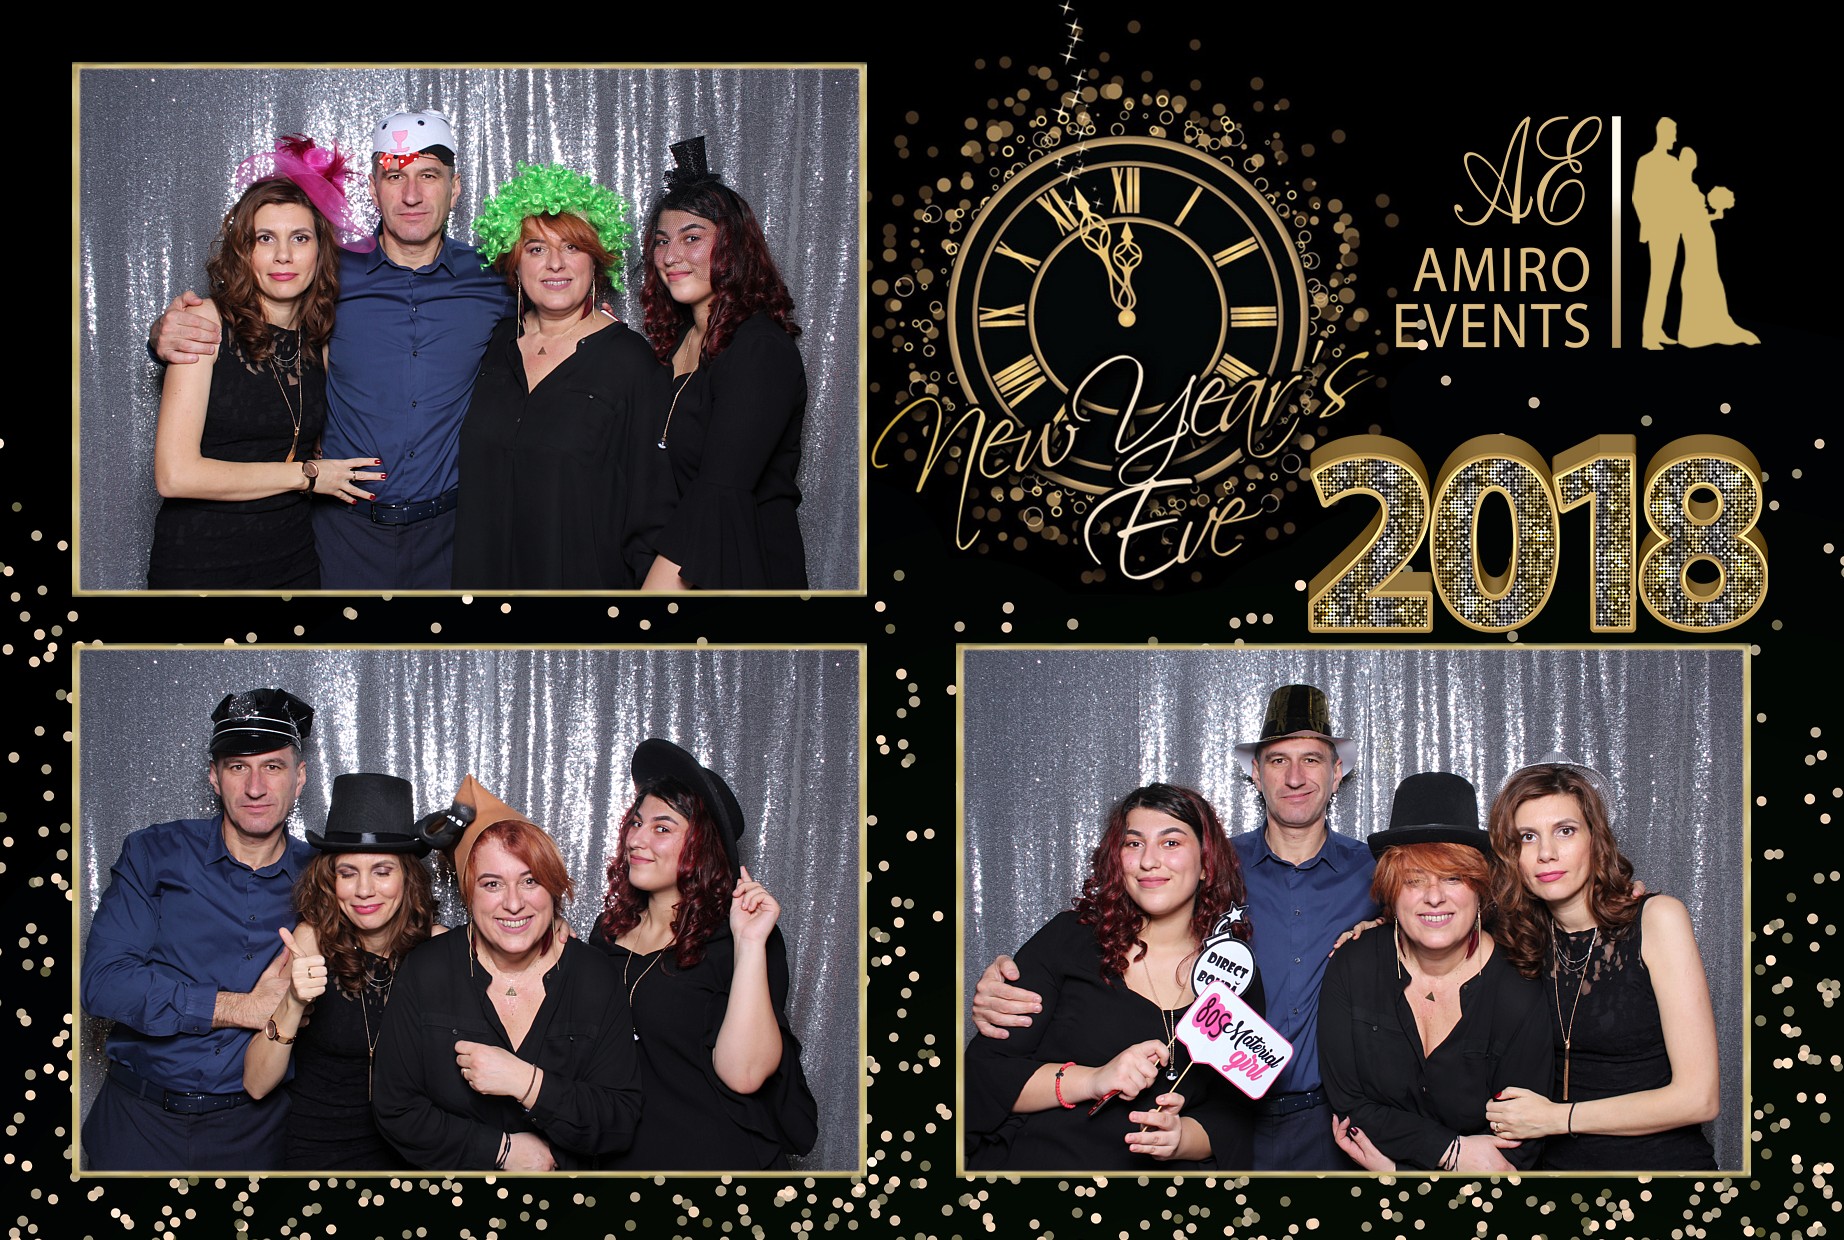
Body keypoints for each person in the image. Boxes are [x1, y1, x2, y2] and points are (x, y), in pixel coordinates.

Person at [973, 684, 1377, 1169]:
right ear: (1256, 773)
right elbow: (988, 1071)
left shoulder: (1378, 873)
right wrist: (1002, 983)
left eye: (1311, 760)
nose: (1295, 776)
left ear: (1337, 773)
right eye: (1277, 760)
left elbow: (1432, 935)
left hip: (1322, 1120)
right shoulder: (1206, 867)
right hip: (1173, 1129)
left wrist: (1384, 934)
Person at [152, 109, 513, 589]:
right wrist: (163, 333)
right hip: (344, 536)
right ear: (373, 189)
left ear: (456, 187)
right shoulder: (327, 274)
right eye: (395, 176)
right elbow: (255, 311)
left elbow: (554, 319)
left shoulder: (495, 278)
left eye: (429, 175)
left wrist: (593, 317)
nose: (411, 195)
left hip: (448, 534)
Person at [964, 783, 1263, 1170]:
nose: (1149, 861)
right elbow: (985, 1076)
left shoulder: (1233, 973)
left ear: (1207, 863)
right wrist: (1094, 1080)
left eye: (1171, 843)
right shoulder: (1068, 940)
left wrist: (1181, 1139)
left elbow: (1235, 1114)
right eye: (1134, 843)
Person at [80, 689, 316, 1170]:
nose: (255, 787)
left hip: (258, 1131)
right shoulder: (153, 854)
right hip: (136, 1123)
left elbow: (392, 918)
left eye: (273, 767)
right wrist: (244, 1008)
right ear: (213, 776)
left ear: (299, 779)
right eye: (237, 767)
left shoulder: (324, 876)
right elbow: (103, 984)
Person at [148, 136, 384, 589]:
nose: (283, 255)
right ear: (245, 250)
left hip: (292, 560)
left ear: (320, 250)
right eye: (265, 238)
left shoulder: (319, 340)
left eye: (300, 238)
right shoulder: (205, 322)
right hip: (202, 564)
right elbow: (174, 476)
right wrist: (309, 476)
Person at [372, 778, 640, 1169]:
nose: (513, 903)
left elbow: (619, 1122)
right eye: (492, 884)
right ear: (469, 893)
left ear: (552, 887)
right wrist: (500, 1150)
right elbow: (395, 1109)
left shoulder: (594, 975)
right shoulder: (426, 971)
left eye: (530, 881)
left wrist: (527, 1083)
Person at [1481, 756, 1719, 1169]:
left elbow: (1699, 1098)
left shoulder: (1658, 919)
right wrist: (1373, 926)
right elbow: (1430, 926)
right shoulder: (1512, 937)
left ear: (1596, 839)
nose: (1547, 853)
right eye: (1528, 838)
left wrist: (1558, 1118)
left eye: (1566, 831)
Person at [589, 738, 818, 1169]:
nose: (636, 839)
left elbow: (745, 1075)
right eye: (636, 822)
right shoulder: (606, 933)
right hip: (621, 1159)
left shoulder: (736, 939)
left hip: (716, 1159)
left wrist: (750, 944)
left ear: (702, 845)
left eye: (662, 828)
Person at [1319, 772, 1553, 1172]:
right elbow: (1349, 1106)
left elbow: (1518, 1147)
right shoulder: (1352, 965)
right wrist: (1452, 1151)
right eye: (1413, 880)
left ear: (1479, 888)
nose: (1433, 897)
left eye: (1453, 877)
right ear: (1392, 891)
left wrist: (1400, 1173)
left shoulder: (1518, 988)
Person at [451, 164, 664, 588]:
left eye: (571, 246)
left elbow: (651, 504)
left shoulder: (629, 361)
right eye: (536, 249)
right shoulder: (493, 343)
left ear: (596, 259)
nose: (554, 264)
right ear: (514, 263)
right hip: (482, 587)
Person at [242, 772, 443, 1169]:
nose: (364, 890)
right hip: (323, 1152)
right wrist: (293, 1002)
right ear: (329, 880)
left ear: (408, 877)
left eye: (382, 871)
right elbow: (256, 1084)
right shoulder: (311, 941)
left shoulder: (439, 947)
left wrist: (548, 928)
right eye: (347, 873)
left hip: (418, 1153)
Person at [635, 136, 809, 590]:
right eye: (661, 242)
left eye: (692, 238)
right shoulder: (675, 345)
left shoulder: (759, 350)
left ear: (735, 247)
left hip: (734, 573)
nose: (671, 257)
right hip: (671, 562)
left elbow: (717, 491)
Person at [1672, 149, 1759, 348]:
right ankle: (1695, 331)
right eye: (1688, 160)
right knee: (1697, 275)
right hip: (1694, 236)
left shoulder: (1692, 186)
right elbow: (1684, 218)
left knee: (1709, 276)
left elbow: (1696, 216)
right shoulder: (1680, 187)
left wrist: (1714, 214)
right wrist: (1705, 217)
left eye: (1693, 161)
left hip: (1704, 234)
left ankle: (1709, 324)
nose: (1692, 164)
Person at [1632, 116, 1686, 350]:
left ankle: (1657, 329)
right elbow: (1638, 196)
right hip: (1658, 229)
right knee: (1657, 282)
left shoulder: (1674, 163)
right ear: (1662, 133)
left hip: (1673, 229)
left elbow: (1679, 193)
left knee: (1665, 282)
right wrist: (1649, 224)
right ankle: (1648, 336)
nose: (1675, 138)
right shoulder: (1646, 162)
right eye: (1673, 133)